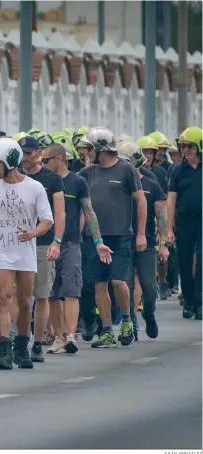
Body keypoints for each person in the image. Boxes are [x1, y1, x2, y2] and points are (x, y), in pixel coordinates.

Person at [0, 137, 54, 370]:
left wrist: (33, 232)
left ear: (10, 161)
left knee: (25, 301)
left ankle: (22, 345)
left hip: (25, 252)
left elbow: (47, 220)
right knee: (4, 297)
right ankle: (4, 348)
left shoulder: (35, 187)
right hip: (1, 252)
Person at [78, 127, 147, 348]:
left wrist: (141, 234)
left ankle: (127, 319)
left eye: (89, 148)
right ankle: (106, 330)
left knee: (118, 281)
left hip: (121, 236)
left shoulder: (126, 169)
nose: (85, 153)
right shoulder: (87, 173)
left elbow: (141, 201)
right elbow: (80, 205)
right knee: (99, 284)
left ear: (101, 149)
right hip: (95, 238)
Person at [42, 143, 111, 354]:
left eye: (47, 160)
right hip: (46, 242)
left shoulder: (77, 181)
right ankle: (59, 336)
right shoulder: (42, 182)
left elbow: (89, 212)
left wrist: (98, 241)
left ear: (60, 158)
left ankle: (71, 335)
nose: (44, 165)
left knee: (72, 290)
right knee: (52, 294)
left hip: (71, 242)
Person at [19, 135, 66, 362]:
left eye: (29, 153)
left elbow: (59, 213)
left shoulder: (52, 179)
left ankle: (37, 342)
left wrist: (57, 241)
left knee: (42, 295)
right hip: (18, 243)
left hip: (43, 242)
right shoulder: (14, 177)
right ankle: (19, 340)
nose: (25, 158)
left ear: (38, 153)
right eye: (22, 153)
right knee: (20, 297)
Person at [118, 139, 168, 338]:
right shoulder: (118, 185)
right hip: (123, 242)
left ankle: (149, 313)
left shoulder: (151, 185)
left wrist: (163, 244)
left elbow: (161, 217)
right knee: (126, 285)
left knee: (148, 285)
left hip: (146, 243)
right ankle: (130, 324)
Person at [167, 126, 202, 320]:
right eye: (183, 146)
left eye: (190, 146)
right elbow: (171, 199)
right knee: (185, 261)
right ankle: (188, 301)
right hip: (184, 220)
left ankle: (200, 302)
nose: (186, 150)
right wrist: (169, 228)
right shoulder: (177, 169)